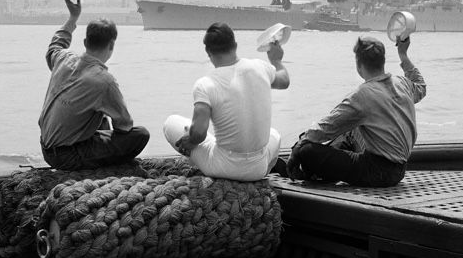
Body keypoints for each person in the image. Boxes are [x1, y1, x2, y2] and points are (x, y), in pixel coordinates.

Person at [285, 34, 426, 187]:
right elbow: (421, 86)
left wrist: (297, 148)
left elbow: (325, 128)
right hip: (400, 169)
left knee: (306, 151)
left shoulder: (362, 95)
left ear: (359, 65)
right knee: (350, 131)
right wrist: (403, 54)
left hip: (379, 171)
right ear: (383, 61)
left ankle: (313, 171)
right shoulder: (403, 83)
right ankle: (323, 170)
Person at [163, 22, 290, 181]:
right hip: (257, 168)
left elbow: (199, 134)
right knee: (275, 135)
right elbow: (284, 81)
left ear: (208, 52)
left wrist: (190, 139)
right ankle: (263, 173)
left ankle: (206, 164)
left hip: (224, 167)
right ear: (235, 45)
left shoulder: (205, 84)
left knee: (170, 123)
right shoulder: (261, 67)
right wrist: (276, 60)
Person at [38, 0, 150, 171]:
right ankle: (111, 166)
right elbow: (124, 126)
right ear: (112, 46)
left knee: (99, 115)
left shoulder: (63, 58)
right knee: (140, 135)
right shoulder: (104, 81)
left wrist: (73, 17)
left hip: (46, 148)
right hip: (67, 157)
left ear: (85, 42)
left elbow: (55, 45)